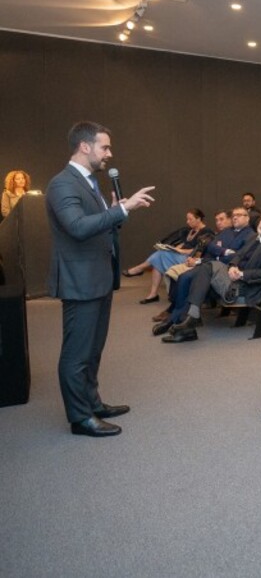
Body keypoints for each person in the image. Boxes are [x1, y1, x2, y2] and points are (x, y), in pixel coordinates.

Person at [46, 121, 155, 437]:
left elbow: (96, 226)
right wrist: (121, 209)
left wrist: (113, 213)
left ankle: (92, 403)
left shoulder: (89, 182)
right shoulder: (62, 184)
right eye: (104, 147)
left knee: (93, 349)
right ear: (84, 146)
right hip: (80, 281)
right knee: (77, 353)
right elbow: (78, 227)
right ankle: (80, 418)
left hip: (98, 278)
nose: (109, 153)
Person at [161, 212, 261, 343]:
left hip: (244, 286)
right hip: (232, 277)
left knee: (207, 266)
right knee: (193, 275)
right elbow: (238, 255)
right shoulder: (254, 238)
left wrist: (241, 274)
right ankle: (186, 321)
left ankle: (186, 320)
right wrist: (232, 266)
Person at [122, 208, 213, 304]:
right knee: (158, 261)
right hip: (181, 255)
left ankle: (139, 269)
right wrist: (172, 248)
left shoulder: (206, 231)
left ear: (198, 219)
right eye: (187, 219)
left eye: (190, 219)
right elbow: (185, 243)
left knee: (159, 256)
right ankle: (153, 294)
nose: (187, 222)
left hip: (190, 259)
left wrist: (180, 250)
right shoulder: (191, 230)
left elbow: (198, 250)